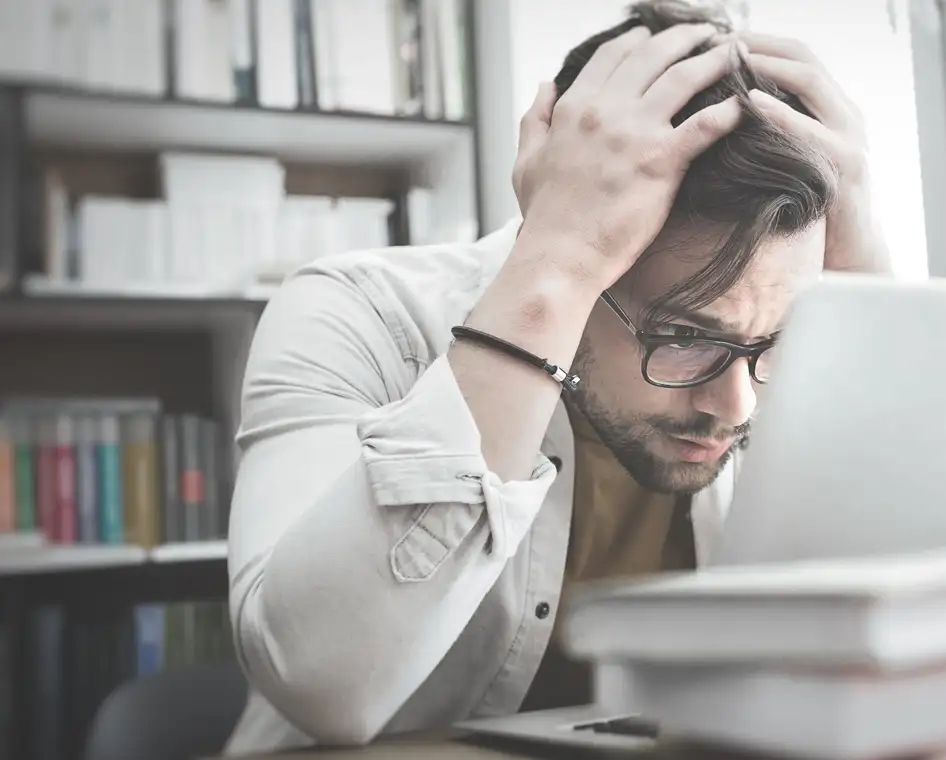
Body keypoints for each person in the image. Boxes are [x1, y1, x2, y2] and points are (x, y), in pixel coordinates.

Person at [222, 0, 891, 753]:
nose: (734, 405)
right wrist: (555, 267)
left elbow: (916, 626)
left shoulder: (790, 350)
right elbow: (326, 688)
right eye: (681, 336)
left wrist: (867, 285)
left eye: (775, 340)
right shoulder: (360, 312)